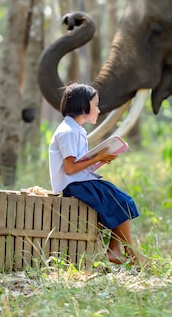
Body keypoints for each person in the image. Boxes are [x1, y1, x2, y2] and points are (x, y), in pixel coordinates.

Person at [48, 83, 141, 265]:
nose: (98, 110)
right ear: (83, 105)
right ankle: (131, 252)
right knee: (122, 202)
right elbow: (69, 169)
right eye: (96, 105)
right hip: (73, 186)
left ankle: (115, 250)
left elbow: (77, 164)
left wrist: (99, 159)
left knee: (123, 201)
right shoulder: (68, 132)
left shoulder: (76, 130)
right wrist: (97, 157)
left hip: (81, 181)